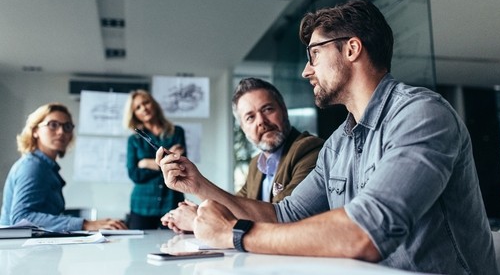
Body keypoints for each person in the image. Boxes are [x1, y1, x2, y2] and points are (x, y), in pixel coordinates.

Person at [156, 0, 499, 274]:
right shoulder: (338, 143)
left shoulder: (422, 115)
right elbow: (283, 215)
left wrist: (234, 234)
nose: (307, 70)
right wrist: (198, 185)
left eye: (315, 54)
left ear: (351, 50)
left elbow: (365, 232)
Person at [160, 78, 324, 232]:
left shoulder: (309, 150)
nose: (261, 121)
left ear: (284, 111)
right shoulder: (256, 164)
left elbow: (283, 219)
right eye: (250, 117)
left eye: (267, 109)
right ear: (243, 128)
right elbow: (235, 208)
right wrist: (199, 210)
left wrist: (197, 219)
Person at [0, 103, 127, 231]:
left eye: (67, 127)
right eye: (53, 125)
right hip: (19, 249)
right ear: (35, 131)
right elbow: (22, 218)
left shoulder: (47, 167)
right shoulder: (32, 166)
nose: (61, 132)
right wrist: (85, 224)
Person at [123, 89, 186, 229]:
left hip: (171, 202)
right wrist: (164, 163)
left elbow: (179, 167)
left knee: (174, 245)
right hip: (142, 205)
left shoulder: (176, 132)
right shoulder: (134, 140)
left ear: (153, 104)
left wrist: (146, 163)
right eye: (138, 107)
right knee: (138, 249)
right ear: (134, 114)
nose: (144, 108)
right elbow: (134, 174)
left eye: (146, 103)